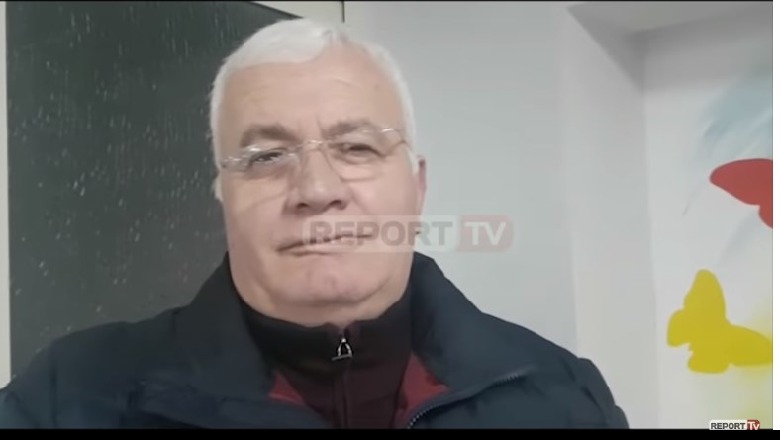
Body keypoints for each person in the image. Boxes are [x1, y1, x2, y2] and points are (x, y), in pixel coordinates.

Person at [0, 18, 628, 429]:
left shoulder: (564, 396)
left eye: (356, 147)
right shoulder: (67, 397)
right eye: (266, 157)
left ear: (417, 187)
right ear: (223, 197)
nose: (317, 191)